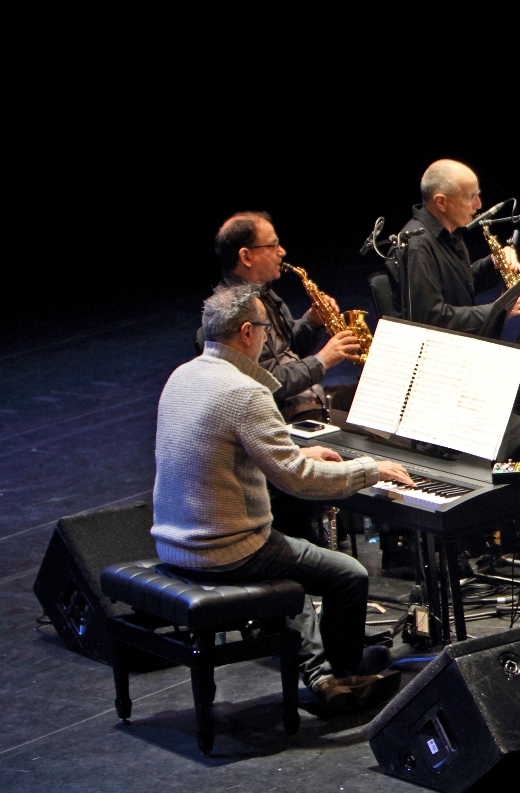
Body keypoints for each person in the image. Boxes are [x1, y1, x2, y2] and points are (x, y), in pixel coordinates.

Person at [152, 284, 416, 711]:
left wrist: (298, 450)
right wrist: (367, 470)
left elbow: (228, 451)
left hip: (172, 542)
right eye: (264, 329)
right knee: (347, 574)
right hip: (227, 551)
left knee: (297, 548)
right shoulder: (245, 391)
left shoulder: (183, 375)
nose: (267, 336)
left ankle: (328, 666)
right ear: (245, 333)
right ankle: (348, 675)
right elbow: (298, 480)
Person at [213, 212, 364, 542]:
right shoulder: (237, 313)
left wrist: (310, 323)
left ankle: (393, 539)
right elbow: (265, 381)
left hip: (308, 401)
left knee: (375, 399)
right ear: (246, 256)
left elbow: (287, 348)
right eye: (274, 245)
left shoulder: (266, 295)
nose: (282, 252)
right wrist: (322, 361)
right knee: (368, 423)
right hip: (285, 418)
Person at [386, 159, 520, 435]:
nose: (479, 204)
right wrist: (500, 309)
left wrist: (494, 263)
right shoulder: (418, 245)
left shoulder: (449, 234)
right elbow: (430, 317)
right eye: (471, 197)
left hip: (466, 346)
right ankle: (502, 459)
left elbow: (459, 285)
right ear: (441, 201)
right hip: (444, 359)